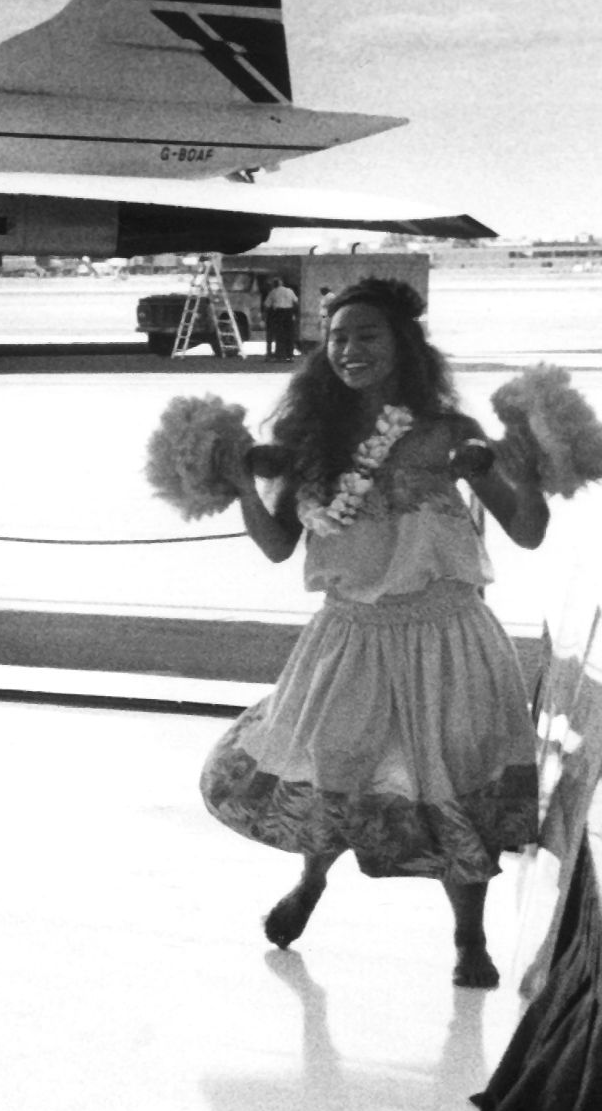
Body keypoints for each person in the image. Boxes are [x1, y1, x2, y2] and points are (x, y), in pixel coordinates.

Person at [206, 279, 544, 988]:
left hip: (447, 631)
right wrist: (241, 486)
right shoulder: (310, 441)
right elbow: (276, 545)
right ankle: (312, 883)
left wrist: (527, 472)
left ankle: (468, 939)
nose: (349, 349)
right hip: (351, 633)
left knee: (456, 773)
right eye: (337, 338)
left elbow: (526, 529)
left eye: (367, 335)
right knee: (336, 765)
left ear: (404, 346)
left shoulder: (449, 433)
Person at [263, 276, 301, 360]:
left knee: (279, 334)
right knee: (290, 334)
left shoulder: (273, 292)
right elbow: (296, 302)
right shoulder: (289, 291)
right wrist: (295, 313)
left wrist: (266, 315)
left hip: (278, 314)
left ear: (274, 284)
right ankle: (290, 355)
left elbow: (267, 305)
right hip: (289, 313)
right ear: (282, 283)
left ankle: (280, 355)